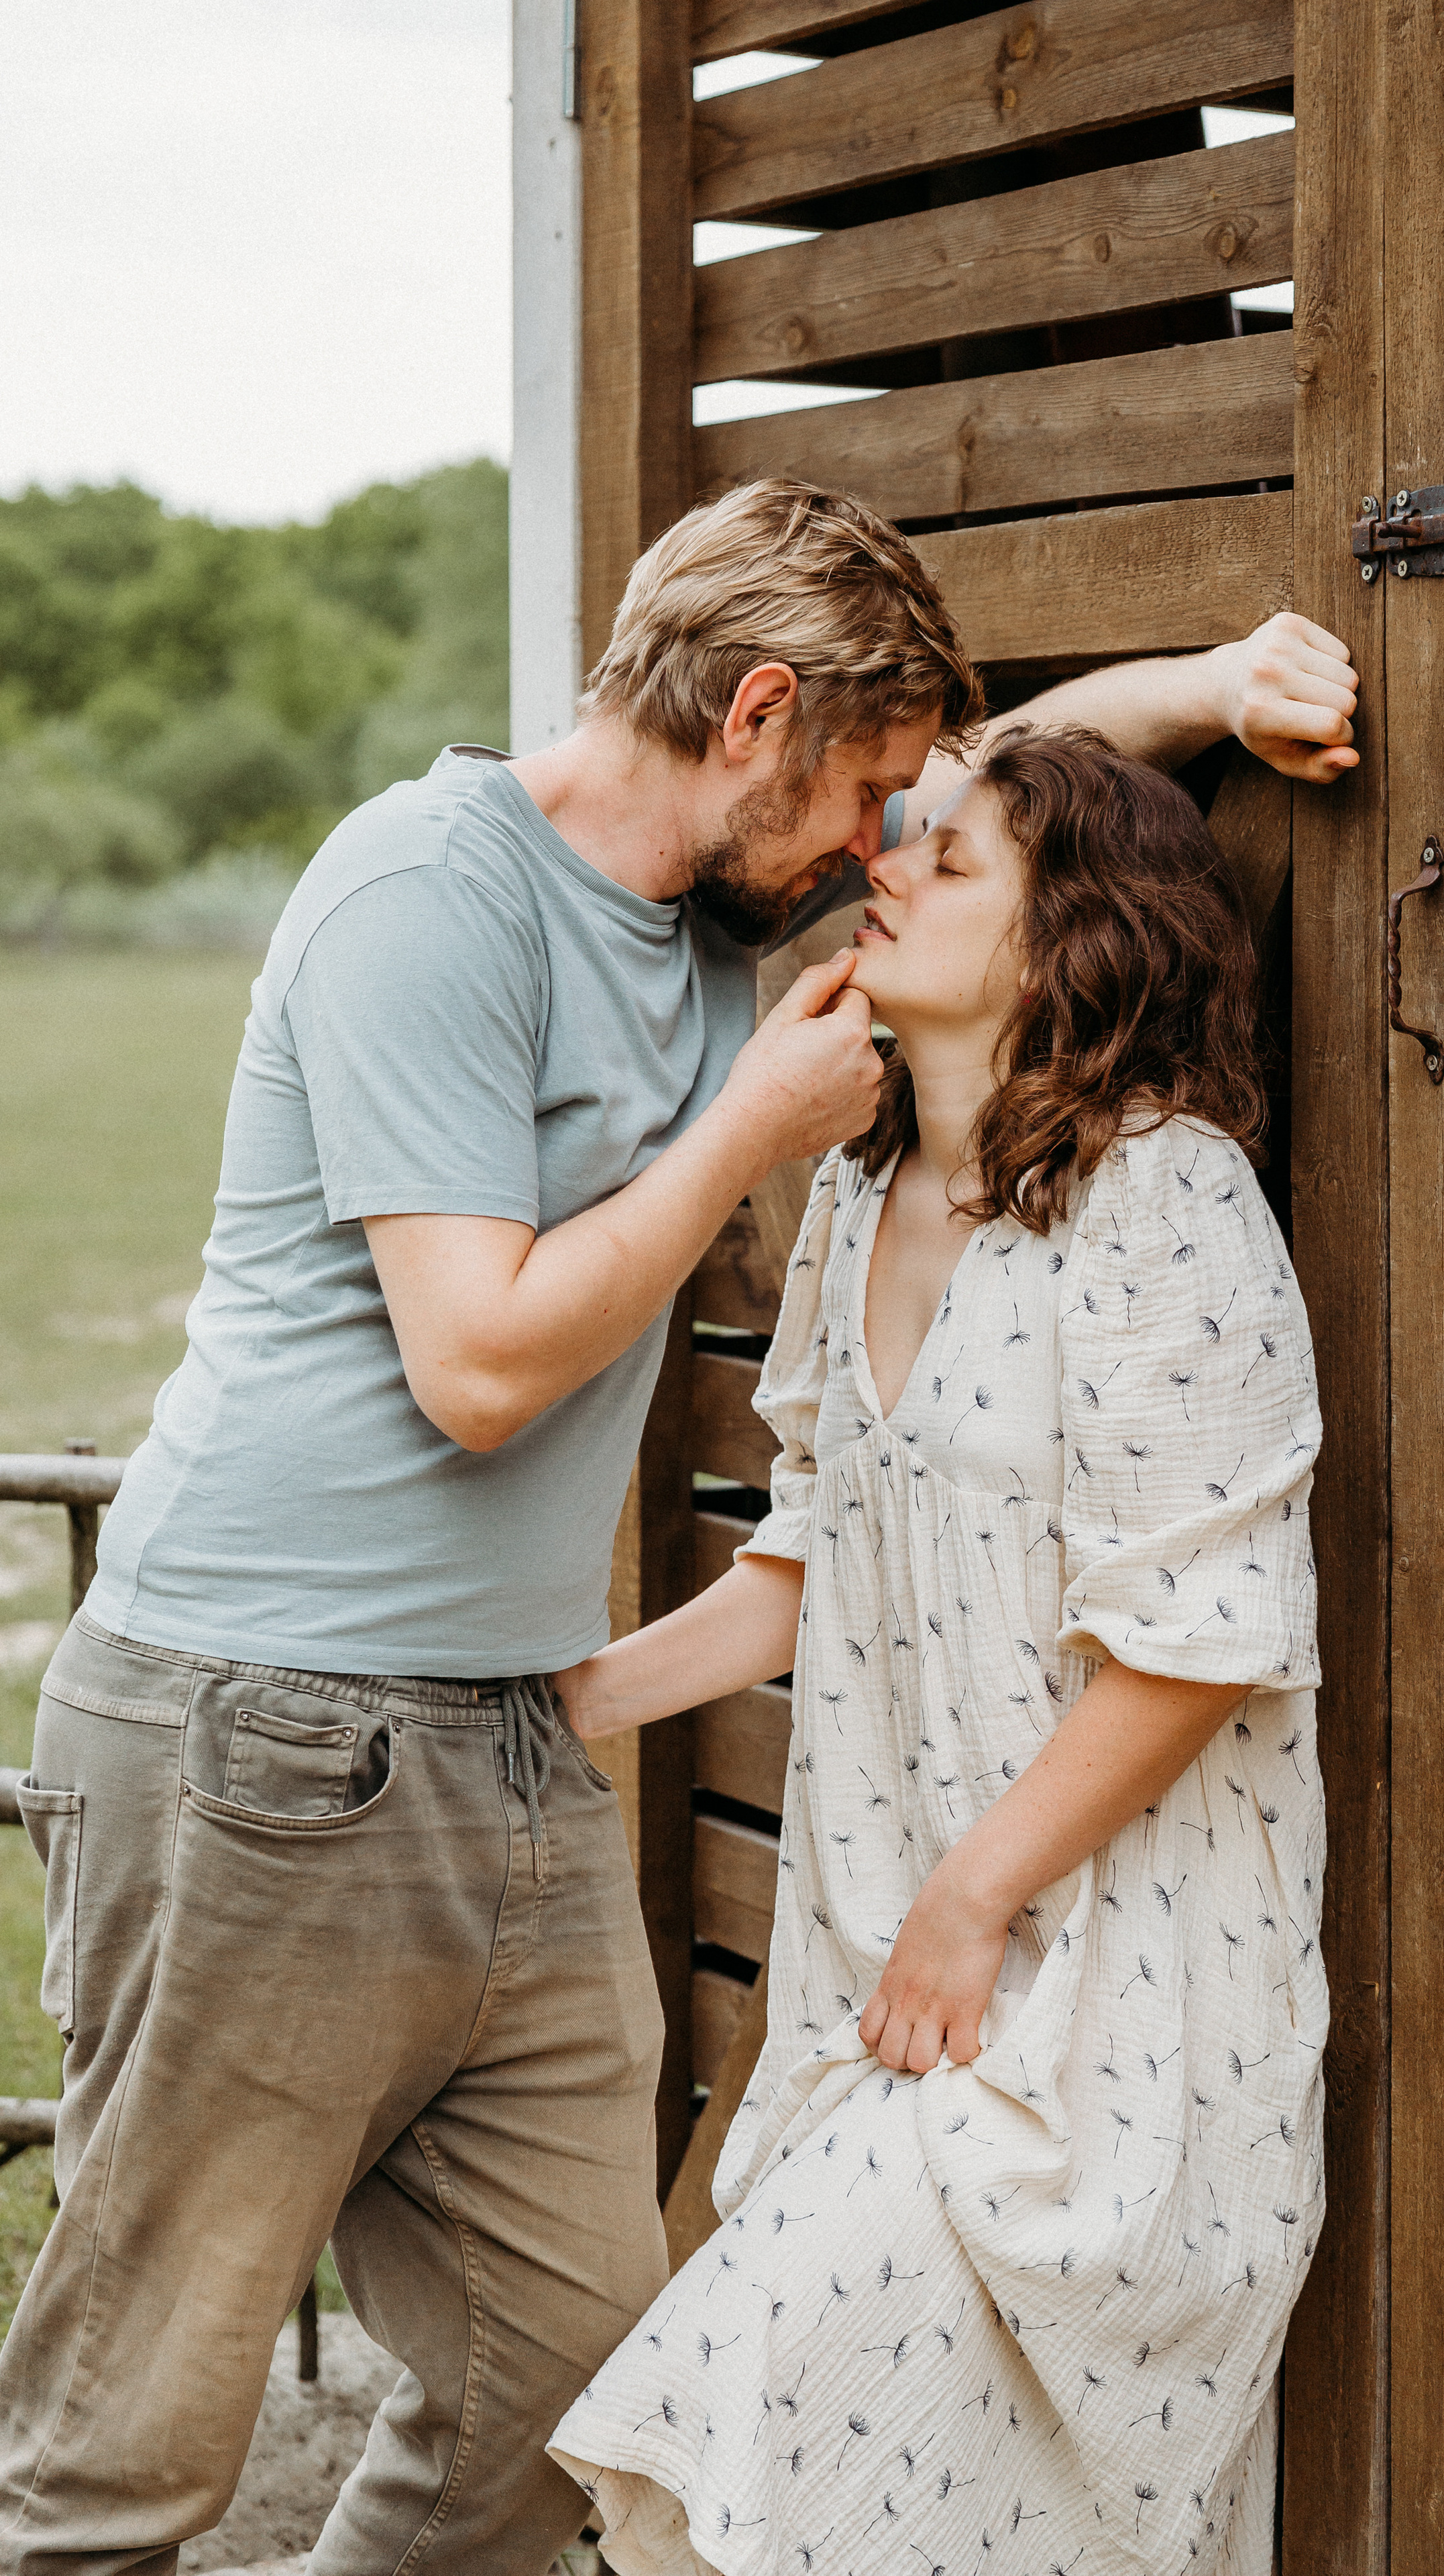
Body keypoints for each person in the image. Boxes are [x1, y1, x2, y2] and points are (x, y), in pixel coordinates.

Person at [3, 477, 1356, 2575]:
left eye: (914, 824)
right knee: (132, 2435)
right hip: (263, 1725)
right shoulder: (428, 896)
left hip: (507, 1741)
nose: (880, 849)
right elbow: (476, 1363)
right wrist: (746, 1131)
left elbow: (1013, 806)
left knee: (561, 2384)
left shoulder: (726, 925)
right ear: (756, 718)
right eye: (871, 795)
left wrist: (1211, 686)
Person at [550, 727, 1325, 2576]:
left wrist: (972, 1904)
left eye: (950, 860)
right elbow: (812, 1550)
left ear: (1076, 944)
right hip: (887, 1970)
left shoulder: (1167, 1199)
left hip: (1107, 2001)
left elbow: (1200, 1640)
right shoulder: (858, 1191)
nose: (883, 870)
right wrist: (563, 1702)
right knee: (861, 2508)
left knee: (747, 2416)